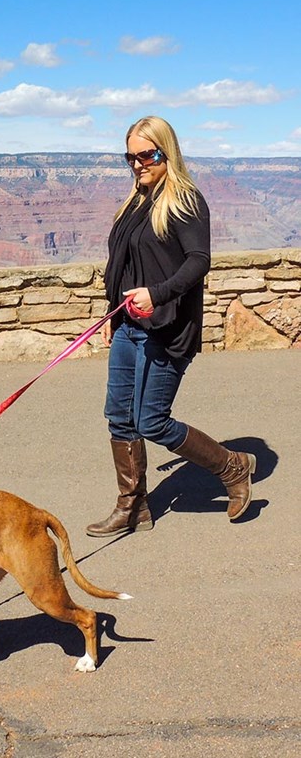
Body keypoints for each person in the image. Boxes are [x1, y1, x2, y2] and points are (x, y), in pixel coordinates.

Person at [86, 116, 256, 538]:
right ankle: (133, 507)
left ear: (168, 151)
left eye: (148, 154)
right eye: (131, 157)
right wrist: (112, 311)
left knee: (151, 420)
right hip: (128, 325)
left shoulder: (185, 201)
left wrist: (157, 294)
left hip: (167, 325)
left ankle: (233, 467)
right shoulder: (135, 202)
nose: (139, 164)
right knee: (119, 418)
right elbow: (121, 265)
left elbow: (199, 261)